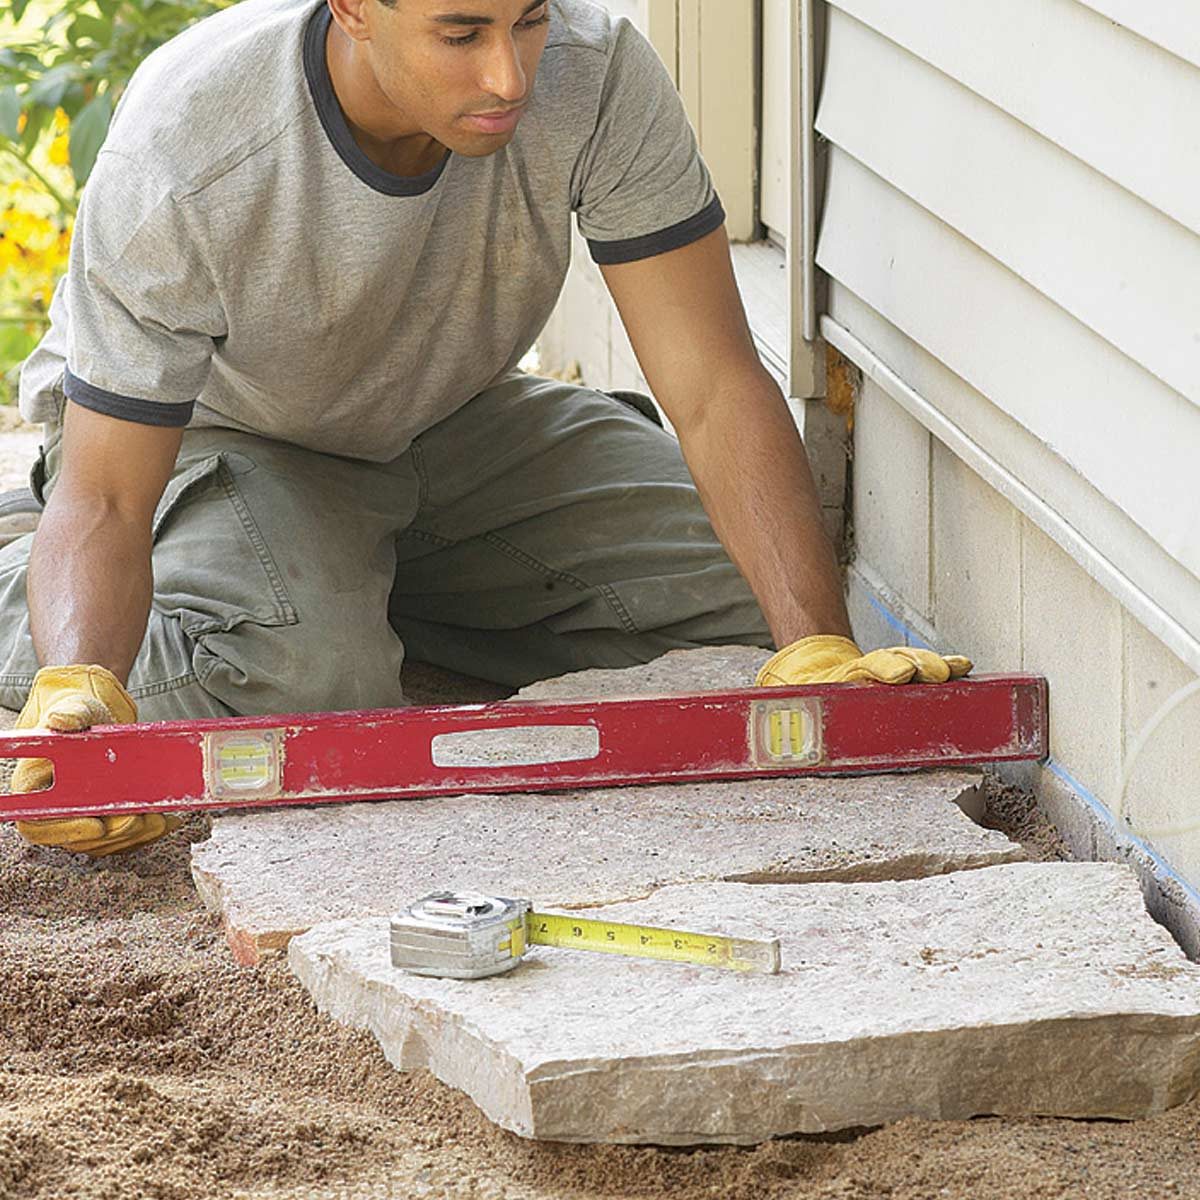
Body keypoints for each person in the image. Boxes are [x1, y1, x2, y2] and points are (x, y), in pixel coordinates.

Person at [0, 0, 968, 858]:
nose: (509, 76)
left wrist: (818, 651)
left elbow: (713, 381)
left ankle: (337, 585)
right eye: (461, 32)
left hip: (452, 417)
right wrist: (80, 695)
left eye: (530, 20)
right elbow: (111, 491)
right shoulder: (190, 146)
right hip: (222, 432)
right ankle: (62, 601)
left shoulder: (599, 71)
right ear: (353, 10)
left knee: (740, 599)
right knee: (302, 691)